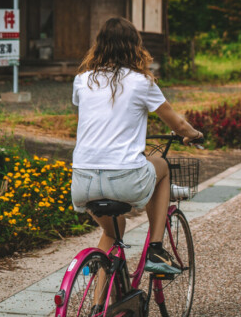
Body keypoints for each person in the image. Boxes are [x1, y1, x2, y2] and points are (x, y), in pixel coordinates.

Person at [70, 16, 203, 277]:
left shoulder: (82, 80)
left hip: (82, 180)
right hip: (123, 177)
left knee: (111, 232)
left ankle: (100, 311)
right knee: (161, 166)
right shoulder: (142, 82)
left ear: (99, 46)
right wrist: (193, 135)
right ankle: (155, 248)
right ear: (135, 46)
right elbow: (177, 123)